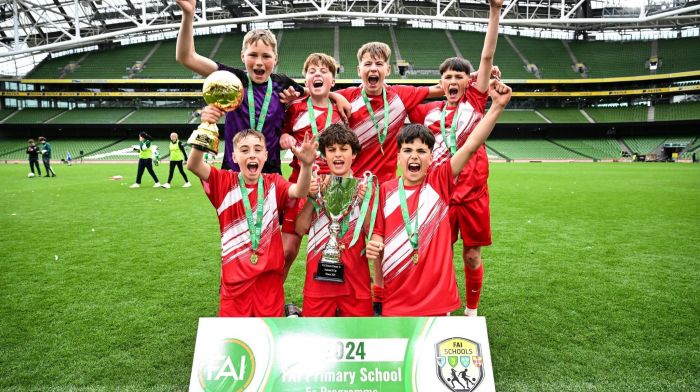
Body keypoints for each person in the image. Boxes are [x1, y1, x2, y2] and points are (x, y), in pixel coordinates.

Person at [366, 79, 512, 316]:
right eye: (408, 151)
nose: (415, 157)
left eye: (422, 151)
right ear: (398, 157)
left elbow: (471, 145)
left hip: (437, 300)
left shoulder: (439, 182)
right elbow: (378, 234)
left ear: (432, 158)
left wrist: (497, 107)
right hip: (396, 298)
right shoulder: (385, 190)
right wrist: (375, 242)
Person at [176, 0, 349, 173]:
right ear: (243, 56)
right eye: (253, 55)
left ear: (275, 59)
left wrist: (336, 96)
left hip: (271, 176)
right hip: (234, 172)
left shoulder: (282, 84)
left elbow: (314, 93)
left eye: (266, 56)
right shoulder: (234, 79)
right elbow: (187, 57)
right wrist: (188, 15)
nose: (259, 62)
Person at [408, 0, 502, 316]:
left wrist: (494, 11)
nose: (452, 82)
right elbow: (395, 102)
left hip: (474, 194)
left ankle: (471, 311)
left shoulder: (476, 100)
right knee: (441, 254)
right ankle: (444, 305)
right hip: (441, 195)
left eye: (459, 77)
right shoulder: (426, 111)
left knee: (472, 255)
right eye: (447, 76)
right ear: (441, 82)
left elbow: (487, 55)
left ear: (468, 81)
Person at [186, 105, 317, 317]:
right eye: (244, 150)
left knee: (268, 343)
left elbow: (300, 191)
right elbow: (193, 164)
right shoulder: (224, 182)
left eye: (258, 149)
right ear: (234, 156)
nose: (252, 155)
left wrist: (307, 165)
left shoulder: (275, 182)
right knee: (234, 343)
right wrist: (206, 126)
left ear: (266, 155)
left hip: (270, 284)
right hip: (235, 284)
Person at [294, 124, 375, 317]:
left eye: (343, 149)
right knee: (315, 339)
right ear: (323, 155)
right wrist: (311, 199)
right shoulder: (315, 185)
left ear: (354, 154)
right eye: (331, 150)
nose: (337, 155)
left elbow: (371, 231)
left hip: (356, 281)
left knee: (359, 337)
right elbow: (300, 228)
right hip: (319, 281)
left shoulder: (365, 187)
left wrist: (365, 204)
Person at [278, 52, 344, 277]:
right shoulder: (295, 108)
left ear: (332, 81)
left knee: (335, 248)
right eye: (312, 72)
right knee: (287, 250)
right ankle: (274, 299)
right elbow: (282, 133)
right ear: (305, 80)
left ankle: (333, 303)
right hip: (300, 182)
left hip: (333, 184)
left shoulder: (342, 111)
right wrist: (284, 138)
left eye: (324, 71)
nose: (318, 74)